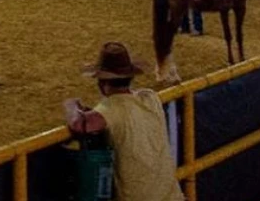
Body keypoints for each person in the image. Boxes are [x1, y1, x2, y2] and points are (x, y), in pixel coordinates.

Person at [63, 42, 184, 201]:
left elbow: (80, 124)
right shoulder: (150, 98)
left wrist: (71, 105)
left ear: (102, 82)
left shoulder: (111, 108)